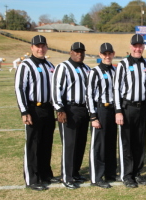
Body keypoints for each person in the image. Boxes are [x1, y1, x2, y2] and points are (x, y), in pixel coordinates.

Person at [14, 35, 59, 191]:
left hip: (47, 108)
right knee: (33, 144)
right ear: (32, 47)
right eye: (37, 46)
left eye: (43, 46)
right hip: (34, 108)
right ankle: (32, 178)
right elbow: (20, 88)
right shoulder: (25, 65)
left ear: (46, 47)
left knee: (46, 143)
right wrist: (24, 111)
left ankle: (45, 174)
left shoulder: (50, 65)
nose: (40, 49)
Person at [113, 34, 146, 188]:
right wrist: (118, 110)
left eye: (140, 46)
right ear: (130, 47)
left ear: (143, 47)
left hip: (142, 108)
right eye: (135, 46)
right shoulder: (123, 64)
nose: (138, 48)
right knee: (127, 142)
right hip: (127, 107)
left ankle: (137, 172)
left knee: (140, 142)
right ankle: (126, 174)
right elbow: (116, 88)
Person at [52, 42, 91, 189]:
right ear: (70, 52)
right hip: (69, 109)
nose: (79, 54)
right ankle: (66, 176)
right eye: (76, 51)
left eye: (81, 51)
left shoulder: (87, 68)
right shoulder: (63, 67)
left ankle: (75, 172)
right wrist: (60, 109)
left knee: (80, 142)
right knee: (69, 144)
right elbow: (56, 88)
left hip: (83, 109)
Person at [86, 43, 117, 189]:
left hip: (112, 110)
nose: (107, 56)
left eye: (109, 53)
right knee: (99, 144)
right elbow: (89, 95)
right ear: (100, 55)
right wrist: (93, 116)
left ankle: (110, 173)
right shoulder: (95, 72)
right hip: (101, 109)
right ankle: (96, 176)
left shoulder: (115, 71)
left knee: (111, 143)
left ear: (113, 54)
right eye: (104, 54)